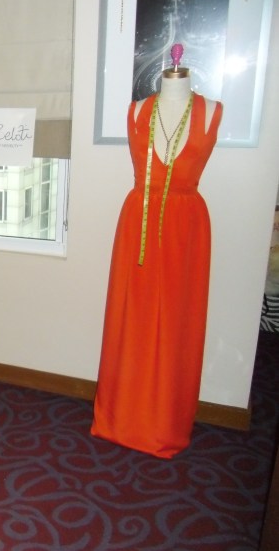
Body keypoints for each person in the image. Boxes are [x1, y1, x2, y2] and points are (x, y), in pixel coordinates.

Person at [90, 45, 224, 458]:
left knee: (177, 326)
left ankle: (166, 421)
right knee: (130, 318)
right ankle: (120, 417)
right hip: (138, 222)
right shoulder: (136, 112)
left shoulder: (212, 111)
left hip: (187, 228)